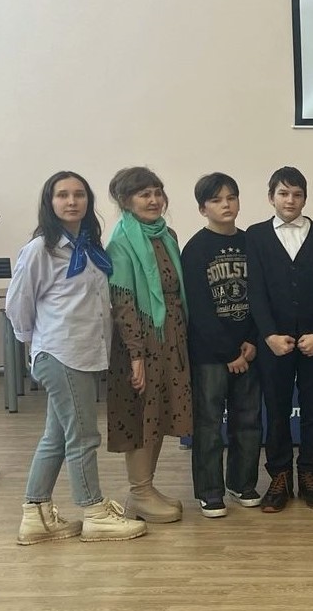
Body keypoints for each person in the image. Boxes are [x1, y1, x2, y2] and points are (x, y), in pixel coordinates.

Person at [9, 171, 148, 543]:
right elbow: (18, 304)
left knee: (56, 437)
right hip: (62, 353)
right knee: (84, 436)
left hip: (84, 353)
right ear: (49, 202)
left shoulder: (88, 247)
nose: (72, 201)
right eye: (62, 195)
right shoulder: (41, 249)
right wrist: (37, 344)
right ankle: (94, 512)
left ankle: (36, 515)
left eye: (79, 194)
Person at [246, 166, 313, 512]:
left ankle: (310, 473)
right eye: (283, 193)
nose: (290, 200)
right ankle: (279, 477)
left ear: (305, 198)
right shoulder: (256, 236)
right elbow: (255, 290)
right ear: (271, 197)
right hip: (274, 343)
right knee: (276, 410)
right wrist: (269, 335)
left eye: (297, 194)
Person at [104, 166, 194, 524]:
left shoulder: (166, 235)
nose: (154, 200)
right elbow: (123, 303)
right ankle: (139, 492)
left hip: (170, 336)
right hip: (140, 341)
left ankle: (146, 488)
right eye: (144, 194)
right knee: (143, 416)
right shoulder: (121, 243)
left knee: (160, 414)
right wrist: (136, 355)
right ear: (126, 201)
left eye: (158, 192)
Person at [181, 173, 263, 518]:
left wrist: (252, 341)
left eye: (231, 197)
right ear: (203, 209)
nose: (226, 205)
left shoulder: (252, 243)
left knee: (249, 421)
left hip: (248, 349)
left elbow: (262, 296)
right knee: (209, 423)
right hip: (210, 354)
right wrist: (229, 352)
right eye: (216, 200)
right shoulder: (195, 249)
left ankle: (242, 483)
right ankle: (210, 491)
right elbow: (199, 309)